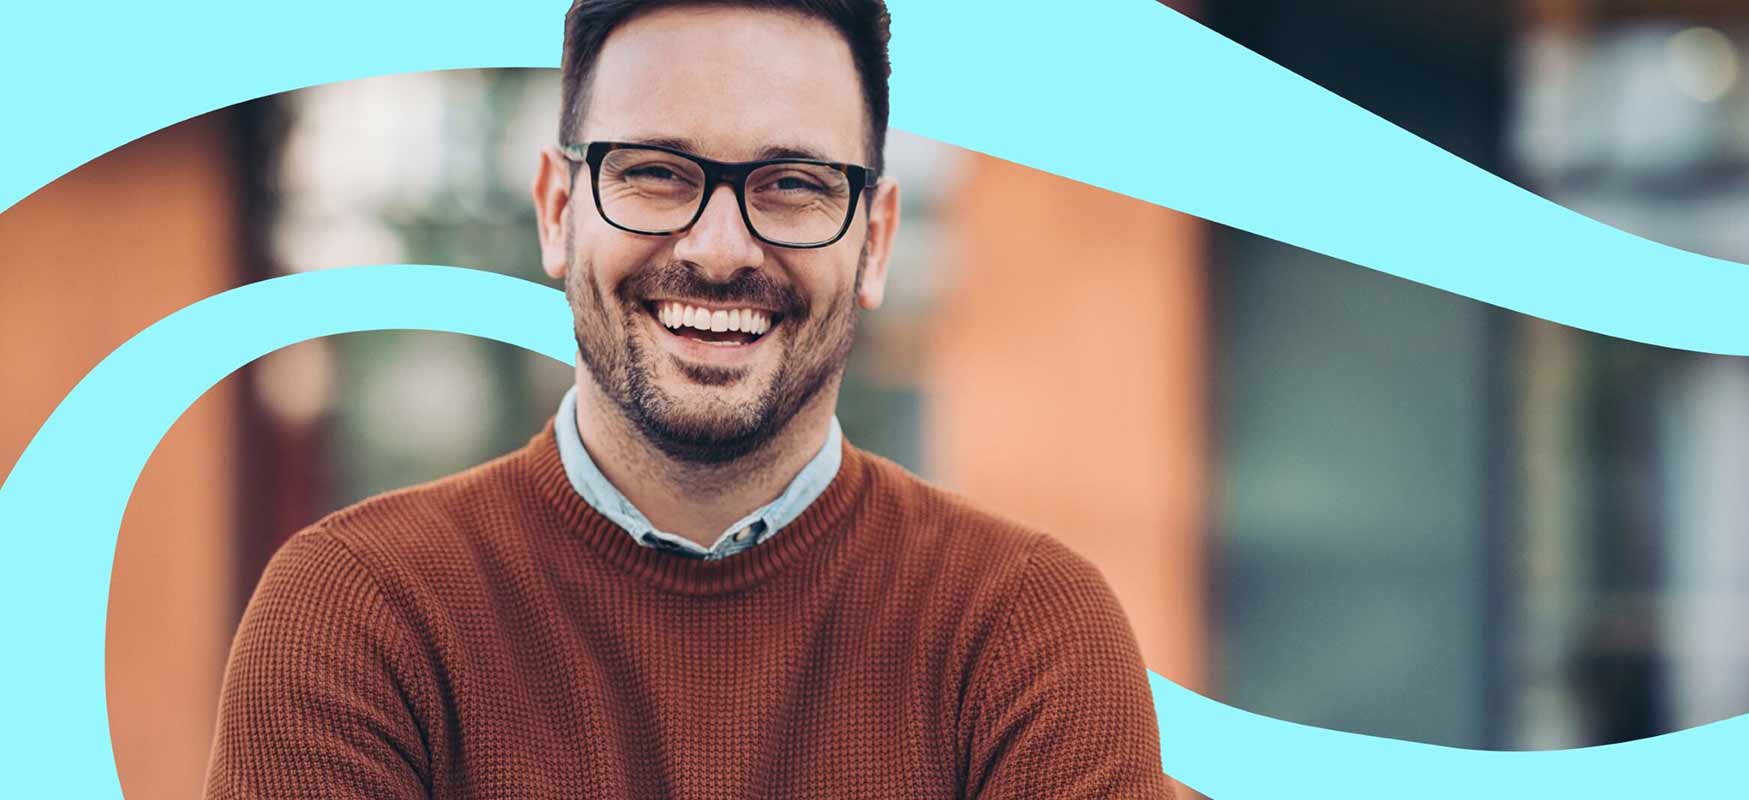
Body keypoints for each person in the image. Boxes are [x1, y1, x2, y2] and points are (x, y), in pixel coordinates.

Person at [204, 1, 1171, 797]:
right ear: (557, 211)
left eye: (792, 183)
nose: (717, 250)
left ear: (874, 241)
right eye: (656, 174)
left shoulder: (1021, 631)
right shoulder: (362, 616)